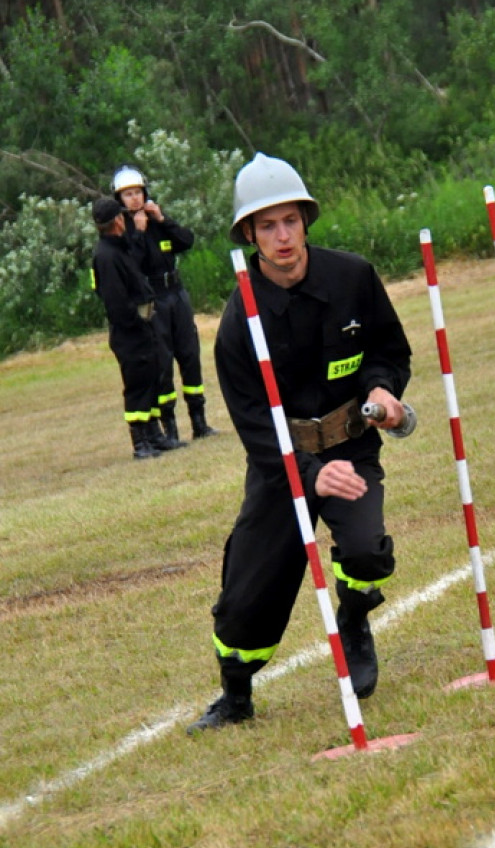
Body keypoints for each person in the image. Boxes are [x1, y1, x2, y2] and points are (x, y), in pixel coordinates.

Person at [187, 153, 412, 733]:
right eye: (267, 226)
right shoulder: (241, 320)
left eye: (290, 221)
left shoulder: (353, 277)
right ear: (248, 235)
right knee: (248, 593)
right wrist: (309, 475)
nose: (282, 236)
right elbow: (255, 425)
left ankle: (356, 619)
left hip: (352, 445)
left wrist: (383, 391)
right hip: (282, 463)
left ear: (306, 220)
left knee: (364, 550)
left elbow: (390, 348)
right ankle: (235, 694)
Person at [112, 165, 218, 441]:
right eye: (127, 195)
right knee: (162, 361)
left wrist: (162, 219)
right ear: (119, 200)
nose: (134, 199)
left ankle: (200, 421)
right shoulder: (125, 231)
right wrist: (137, 232)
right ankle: (169, 427)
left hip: (177, 294)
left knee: (190, 354)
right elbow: (130, 266)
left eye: (137, 192)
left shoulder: (158, 222)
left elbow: (186, 241)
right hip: (154, 298)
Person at [91, 197, 176, 460]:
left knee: (151, 380)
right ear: (117, 221)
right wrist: (138, 322)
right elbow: (117, 302)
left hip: (143, 328)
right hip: (131, 334)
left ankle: (154, 436)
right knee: (137, 385)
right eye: (122, 217)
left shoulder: (120, 248)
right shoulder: (106, 256)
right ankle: (140, 442)